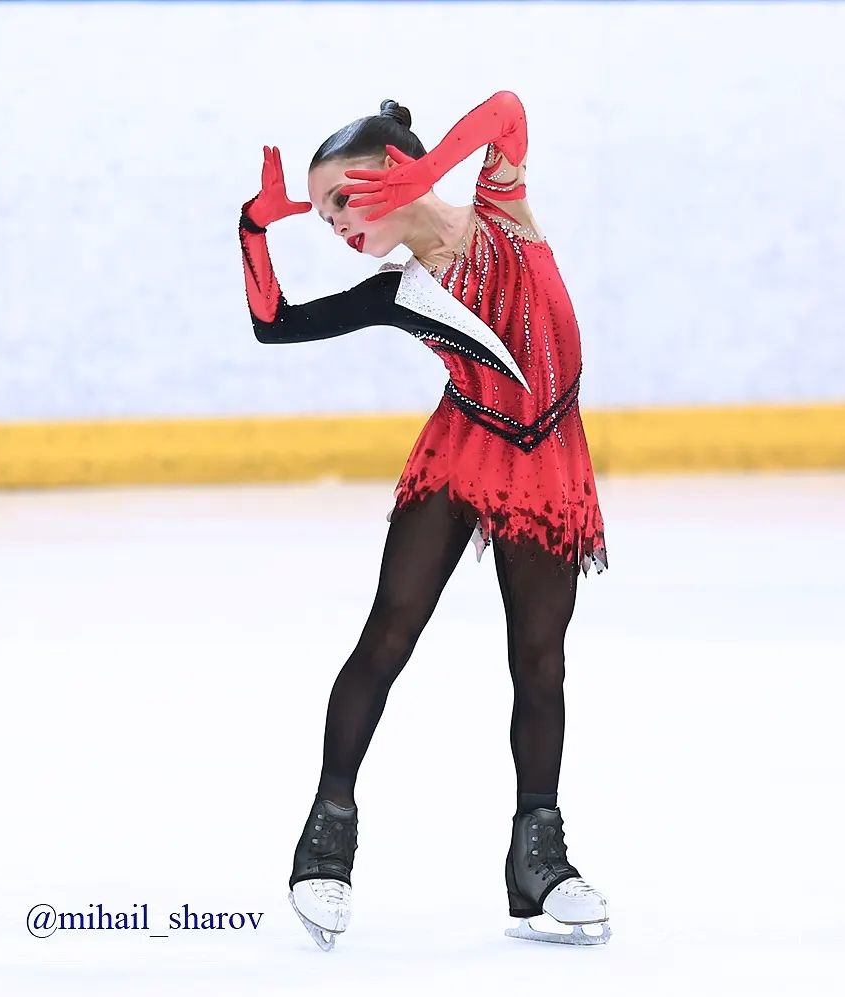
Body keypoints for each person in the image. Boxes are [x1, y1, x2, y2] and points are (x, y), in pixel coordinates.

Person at [238, 91, 610, 949]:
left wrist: (433, 166)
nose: (333, 222)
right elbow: (272, 326)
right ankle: (325, 843)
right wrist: (254, 229)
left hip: (546, 458)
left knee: (540, 660)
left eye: (341, 199)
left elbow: (507, 109)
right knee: (389, 632)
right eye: (322, 213)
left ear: (392, 173)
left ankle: (538, 863)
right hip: (460, 451)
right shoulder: (396, 291)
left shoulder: (502, 213)